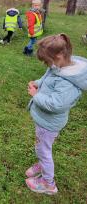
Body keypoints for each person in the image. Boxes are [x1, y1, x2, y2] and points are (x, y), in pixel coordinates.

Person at [26, 34, 87, 195]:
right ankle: (42, 163)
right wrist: (38, 83)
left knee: (43, 150)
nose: (47, 65)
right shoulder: (59, 67)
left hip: (48, 123)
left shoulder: (68, 83)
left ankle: (48, 183)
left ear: (58, 56)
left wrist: (36, 95)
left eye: (47, 61)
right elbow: (47, 79)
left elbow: (55, 104)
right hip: (46, 122)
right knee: (43, 147)